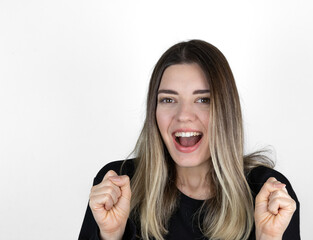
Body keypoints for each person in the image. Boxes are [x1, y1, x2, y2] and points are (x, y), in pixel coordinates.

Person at [79, 40, 300, 240]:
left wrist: (269, 237)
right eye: (168, 99)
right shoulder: (117, 186)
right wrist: (109, 235)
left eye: (203, 99)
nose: (183, 114)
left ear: (226, 110)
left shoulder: (267, 193)